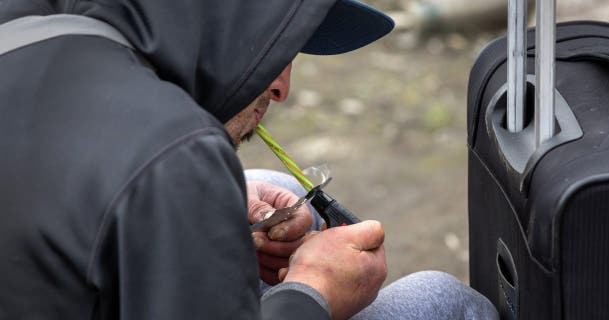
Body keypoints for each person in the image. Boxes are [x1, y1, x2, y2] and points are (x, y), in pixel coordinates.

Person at [0, 0, 497, 319]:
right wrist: (312, 294)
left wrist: (208, 205)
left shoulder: (35, 30)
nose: (281, 87)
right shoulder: (172, 153)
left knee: (260, 180)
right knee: (439, 302)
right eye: (274, 48)